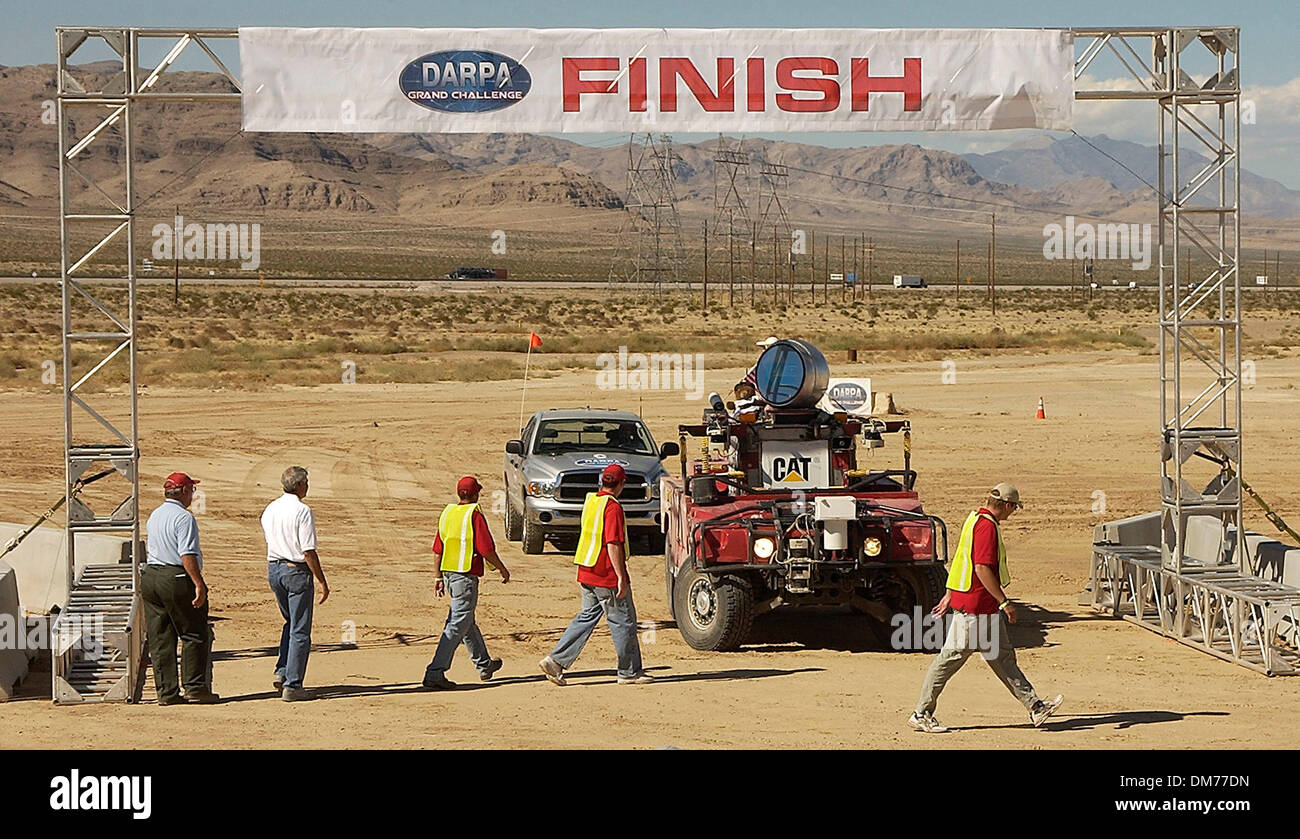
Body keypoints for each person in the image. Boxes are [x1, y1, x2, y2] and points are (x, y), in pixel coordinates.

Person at [908, 482, 1063, 732]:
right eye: (1014, 508)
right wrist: (1004, 602)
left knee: (1003, 659)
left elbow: (960, 560)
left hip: (981, 608)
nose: (1013, 513)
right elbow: (980, 568)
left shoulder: (974, 519)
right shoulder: (987, 528)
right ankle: (921, 713)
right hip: (976, 609)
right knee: (949, 660)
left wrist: (949, 593)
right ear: (1007, 505)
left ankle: (1035, 707)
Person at [539, 463, 652, 686]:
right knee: (623, 621)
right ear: (621, 484)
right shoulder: (613, 507)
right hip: (605, 573)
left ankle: (556, 660)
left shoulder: (592, 501)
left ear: (602, 482)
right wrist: (621, 576)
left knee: (586, 617)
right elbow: (613, 543)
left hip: (586, 569)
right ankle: (629, 672)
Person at [422, 476, 511, 690]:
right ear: (476, 494)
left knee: (466, 622)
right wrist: (502, 568)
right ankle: (435, 672)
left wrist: (437, 577)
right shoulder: (474, 515)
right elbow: (486, 549)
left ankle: (484, 665)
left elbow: (437, 549)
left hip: (450, 575)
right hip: (464, 578)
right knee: (456, 624)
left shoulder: (448, 513)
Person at [142, 472, 218, 705]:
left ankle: (166, 692)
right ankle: (195, 688)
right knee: (193, 632)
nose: (193, 495)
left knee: (161, 637)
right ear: (184, 491)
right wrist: (198, 583)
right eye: (192, 490)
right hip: (174, 577)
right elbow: (187, 555)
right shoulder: (183, 518)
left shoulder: (155, 514)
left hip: (152, 576)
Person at [260, 465, 329, 702]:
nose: (307, 486)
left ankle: (282, 671)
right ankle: (293, 684)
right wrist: (321, 580)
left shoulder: (271, 508)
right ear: (299, 485)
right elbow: (308, 551)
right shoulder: (302, 511)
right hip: (295, 570)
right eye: (306, 483)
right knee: (300, 628)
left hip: (274, 569)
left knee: (290, 622)